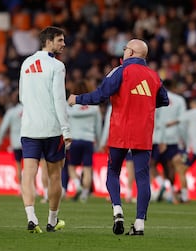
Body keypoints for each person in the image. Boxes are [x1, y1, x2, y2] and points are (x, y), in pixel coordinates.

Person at [68, 39, 169, 235]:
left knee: (113, 171)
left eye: (124, 49)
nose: (122, 53)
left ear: (131, 52)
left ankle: (117, 210)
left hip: (120, 130)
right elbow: (164, 100)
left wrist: (76, 98)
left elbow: (99, 96)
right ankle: (139, 224)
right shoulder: (154, 76)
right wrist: (144, 103)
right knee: (142, 176)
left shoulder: (120, 71)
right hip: (143, 132)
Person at [19, 26, 71, 233]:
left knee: (28, 174)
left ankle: (31, 217)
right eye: (60, 40)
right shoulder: (57, 66)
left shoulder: (26, 63)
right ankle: (52, 220)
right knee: (55, 175)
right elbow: (59, 100)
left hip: (30, 127)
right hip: (52, 129)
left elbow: (22, 96)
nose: (63, 44)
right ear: (48, 41)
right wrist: (66, 130)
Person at [152, 79, 188, 203]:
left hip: (158, 137)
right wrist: (183, 140)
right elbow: (183, 119)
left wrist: (161, 138)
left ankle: (162, 184)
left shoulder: (157, 98)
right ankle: (172, 193)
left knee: (150, 164)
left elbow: (154, 119)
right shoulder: (180, 100)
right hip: (174, 138)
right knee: (171, 166)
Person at [67, 80, 102, 203]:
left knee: (71, 167)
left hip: (75, 140)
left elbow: (66, 122)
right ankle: (84, 195)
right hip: (88, 140)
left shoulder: (71, 107)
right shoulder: (94, 107)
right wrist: (99, 142)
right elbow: (98, 127)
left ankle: (77, 186)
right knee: (87, 168)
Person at [99, 103, 136, 203]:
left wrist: (103, 141)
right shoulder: (133, 105)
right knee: (130, 164)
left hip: (116, 139)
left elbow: (108, 124)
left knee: (114, 168)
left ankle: (113, 193)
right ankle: (128, 192)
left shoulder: (113, 106)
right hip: (129, 137)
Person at [0, 90, 23, 194]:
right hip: (30, 141)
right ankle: (33, 188)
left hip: (16, 142)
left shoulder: (11, 112)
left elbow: (3, 127)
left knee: (18, 165)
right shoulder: (31, 110)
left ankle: (20, 188)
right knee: (32, 166)